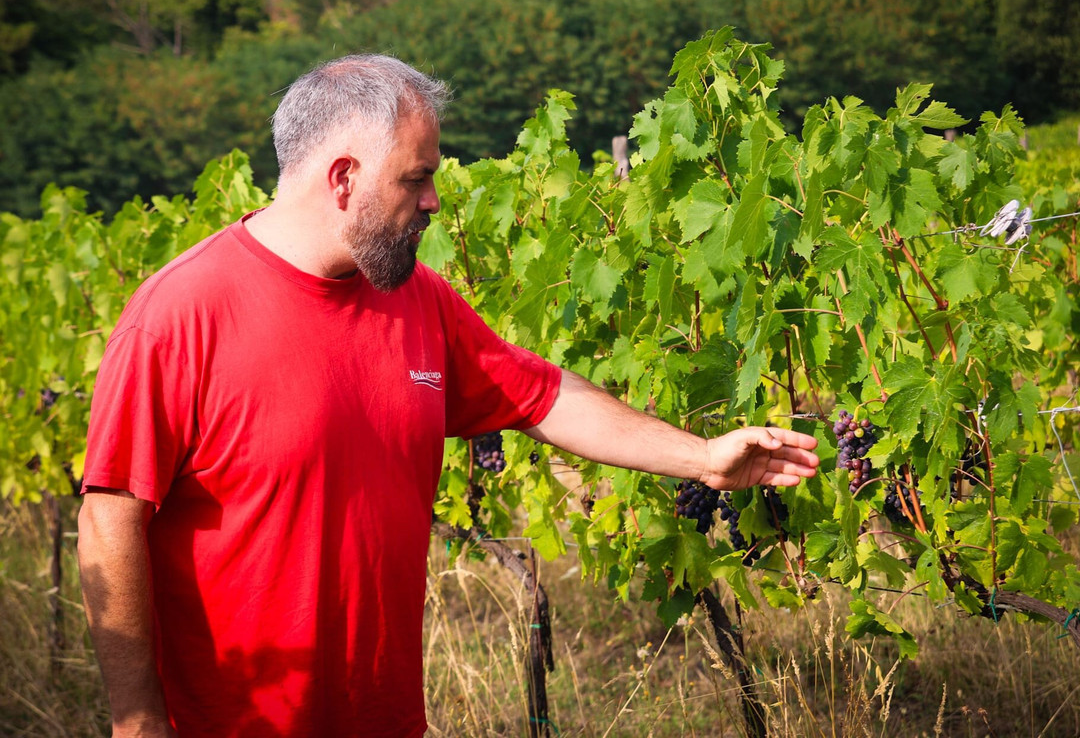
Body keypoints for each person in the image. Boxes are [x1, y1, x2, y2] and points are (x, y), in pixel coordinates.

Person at [77, 54, 819, 738]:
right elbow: (111, 518)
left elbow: (542, 396)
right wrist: (137, 719)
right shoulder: (180, 316)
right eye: (415, 178)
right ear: (343, 178)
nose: (434, 201)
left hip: (385, 718)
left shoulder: (419, 302)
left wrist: (703, 459)